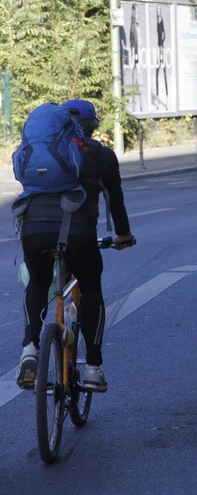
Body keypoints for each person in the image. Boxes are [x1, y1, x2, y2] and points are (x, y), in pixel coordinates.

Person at [15, 99, 135, 392]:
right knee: (91, 289)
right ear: (93, 127)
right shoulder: (101, 155)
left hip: (33, 229)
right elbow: (115, 201)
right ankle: (93, 368)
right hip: (78, 234)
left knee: (38, 282)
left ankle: (30, 347)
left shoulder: (43, 153)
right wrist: (122, 234)